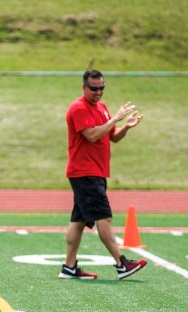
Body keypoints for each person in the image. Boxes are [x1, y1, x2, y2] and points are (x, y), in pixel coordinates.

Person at [60, 69, 147, 280]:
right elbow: (91, 135)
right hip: (85, 172)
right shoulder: (78, 108)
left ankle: (69, 267)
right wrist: (115, 118)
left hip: (95, 172)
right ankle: (122, 264)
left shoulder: (102, 107)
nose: (98, 92)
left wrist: (125, 127)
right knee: (104, 217)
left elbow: (112, 136)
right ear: (84, 87)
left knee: (79, 220)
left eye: (102, 88)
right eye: (94, 89)